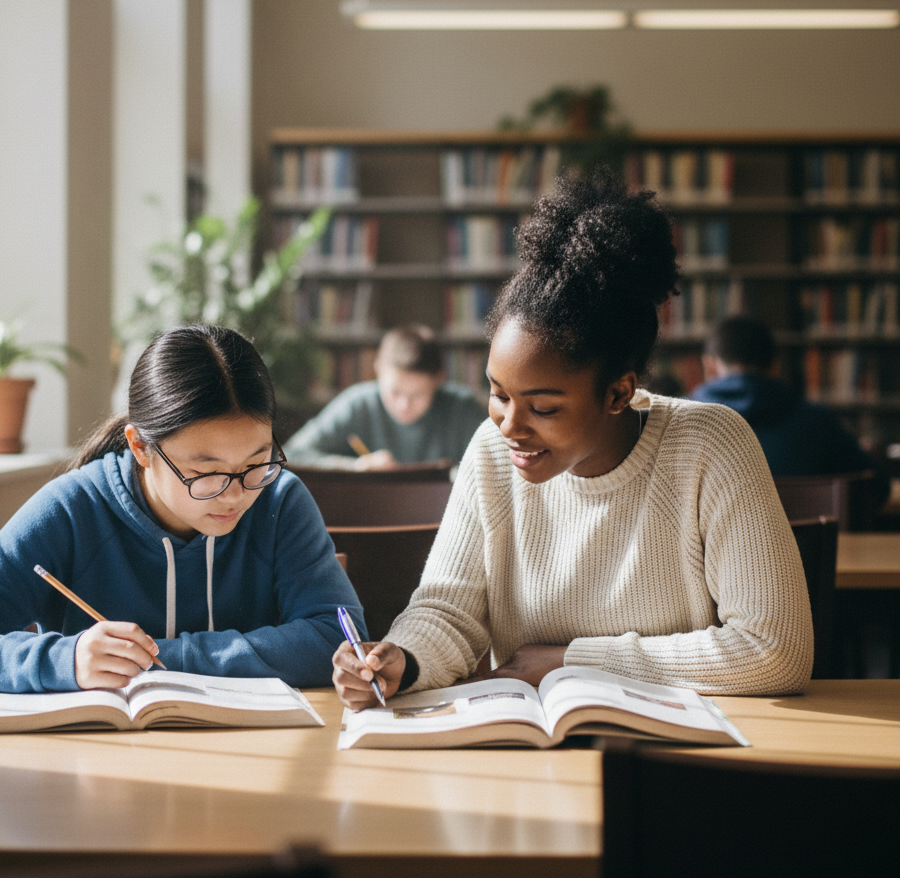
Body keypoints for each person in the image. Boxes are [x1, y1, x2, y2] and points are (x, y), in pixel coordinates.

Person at [332, 167, 814, 708]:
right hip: (530, 753)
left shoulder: (709, 445)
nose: (509, 425)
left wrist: (572, 660)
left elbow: (775, 650)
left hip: (678, 758)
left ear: (618, 394)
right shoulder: (492, 453)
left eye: (542, 407)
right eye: (498, 393)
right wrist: (404, 658)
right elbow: (449, 611)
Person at [0, 325, 365, 694]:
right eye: (206, 473)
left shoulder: (281, 499)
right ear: (141, 447)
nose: (234, 494)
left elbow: (338, 638)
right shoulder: (72, 508)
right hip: (98, 774)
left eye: (256, 462)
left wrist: (161, 658)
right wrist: (66, 660)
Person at [691, 314, 890, 489]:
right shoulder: (818, 421)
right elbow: (876, 487)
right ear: (775, 368)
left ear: (710, 367)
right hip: (801, 533)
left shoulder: (680, 422)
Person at [284, 325, 485, 470]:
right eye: (395, 392)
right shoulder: (358, 404)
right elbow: (290, 455)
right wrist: (355, 466)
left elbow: (492, 468)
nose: (403, 405)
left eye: (418, 394)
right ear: (378, 370)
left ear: (438, 379)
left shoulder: (462, 408)